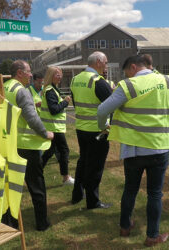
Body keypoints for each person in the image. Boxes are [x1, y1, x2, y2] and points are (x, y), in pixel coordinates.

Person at [97, 54, 169, 246]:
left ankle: (125, 226)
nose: (128, 76)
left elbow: (102, 110)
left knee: (131, 189)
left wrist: (103, 126)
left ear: (133, 67)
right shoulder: (167, 81)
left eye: (127, 73)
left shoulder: (128, 85)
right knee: (155, 194)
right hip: (159, 147)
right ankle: (152, 236)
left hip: (134, 149)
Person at [1, 60, 54, 231]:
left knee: (9, 186)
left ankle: (9, 222)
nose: (31, 75)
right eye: (29, 71)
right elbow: (32, 118)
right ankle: (42, 223)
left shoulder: (1, 89)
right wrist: (45, 133)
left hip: (5, 145)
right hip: (26, 147)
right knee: (36, 186)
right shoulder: (21, 91)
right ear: (19, 73)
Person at [70, 51, 113, 209]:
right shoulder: (98, 81)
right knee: (95, 167)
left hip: (81, 128)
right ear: (99, 62)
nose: (106, 66)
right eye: (106, 62)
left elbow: (75, 103)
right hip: (98, 131)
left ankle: (77, 194)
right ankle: (93, 201)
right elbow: (113, 104)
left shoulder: (76, 79)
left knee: (83, 162)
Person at [40, 66, 74, 185]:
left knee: (49, 152)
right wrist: (65, 102)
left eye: (60, 74)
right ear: (50, 76)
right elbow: (54, 110)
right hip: (54, 128)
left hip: (53, 127)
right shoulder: (50, 90)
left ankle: (35, 173)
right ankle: (66, 178)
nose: (59, 77)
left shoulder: (52, 89)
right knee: (64, 151)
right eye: (57, 74)